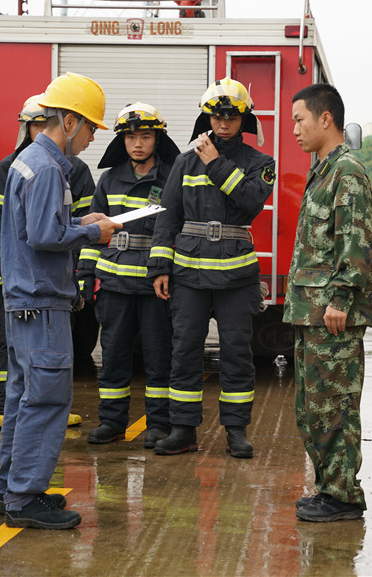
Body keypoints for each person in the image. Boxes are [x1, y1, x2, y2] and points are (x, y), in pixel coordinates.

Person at [0, 72, 122, 530]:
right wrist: (94, 231)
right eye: (90, 127)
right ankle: (25, 498)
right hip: (42, 302)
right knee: (47, 401)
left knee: (22, 400)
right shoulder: (50, 167)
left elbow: (39, 225)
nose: (91, 137)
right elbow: (46, 235)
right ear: (68, 121)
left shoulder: (28, 160)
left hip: (23, 302)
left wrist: (77, 218)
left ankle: (12, 487)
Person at [148, 78, 276, 458]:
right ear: (207, 117)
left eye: (231, 116)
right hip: (188, 276)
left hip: (237, 278)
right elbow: (166, 217)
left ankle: (236, 431)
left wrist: (216, 164)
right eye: (216, 116)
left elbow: (251, 201)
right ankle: (183, 429)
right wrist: (159, 267)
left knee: (237, 352)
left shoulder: (261, 164)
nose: (223, 124)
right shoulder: (184, 162)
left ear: (244, 119)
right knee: (185, 350)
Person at [284, 83, 372, 522]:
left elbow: (354, 242)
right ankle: (328, 488)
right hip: (312, 313)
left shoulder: (347, 172)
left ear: (326, 119)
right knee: (312, 408)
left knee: (335, 408)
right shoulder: (320, 172)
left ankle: (342, 496)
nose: (294, 129)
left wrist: (340, 298)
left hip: (333, 315)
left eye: (300, 119)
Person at [0, 95, 96, 430]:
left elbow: (63, 223)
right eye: (37, 125)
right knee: (34, 382)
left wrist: (81, 271)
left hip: (45, 288)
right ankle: (22, 469)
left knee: (32, 375)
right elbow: (10, 226)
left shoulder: (58, 167)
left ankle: (16, 477)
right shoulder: (41, 168)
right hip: (35, 291)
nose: (91, 138)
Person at [82, 103, 180, 448]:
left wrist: (166, 272)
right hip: (114, 285)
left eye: (146, 136)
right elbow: (93, 231)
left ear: (158, 139)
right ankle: (111, 422)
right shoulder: (108, 179)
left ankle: (158, 425)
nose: (138, 144)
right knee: (113, 358)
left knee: (158, 360)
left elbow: (174, 233)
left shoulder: (172, 179)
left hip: (156, 287)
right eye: (131, 137)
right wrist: (85, 273)